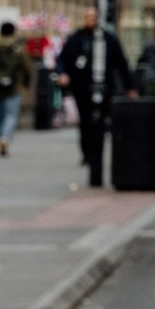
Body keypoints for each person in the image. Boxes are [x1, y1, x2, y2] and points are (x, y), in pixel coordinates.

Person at [56, 10, 135, 184]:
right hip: (81, 87)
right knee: (85, 122)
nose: (91, 21)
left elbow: (121, 63)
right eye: (88, 18)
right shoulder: (76, 39)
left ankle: (96, 155)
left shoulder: (108, 39)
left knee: (101, 123)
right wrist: (62, 73)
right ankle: (87, 153)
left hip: (104, 88)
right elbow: (63, 59)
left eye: (94, 18)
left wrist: (130, 87)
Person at [0, 18, 27, 154]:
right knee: (11, 114)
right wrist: (26, 81)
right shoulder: (17, 47)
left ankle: (0, 137)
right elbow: (25, 66)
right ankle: (5, 137)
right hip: (13, 85)